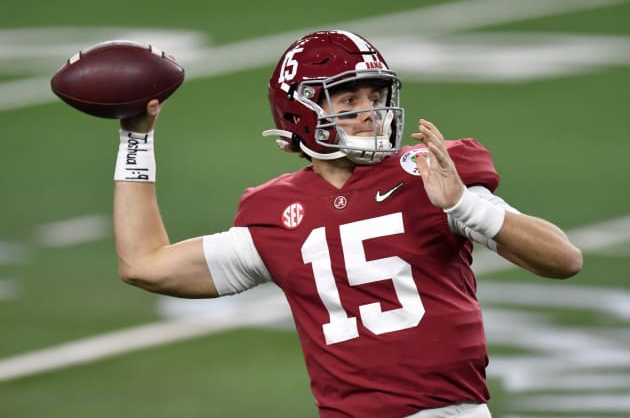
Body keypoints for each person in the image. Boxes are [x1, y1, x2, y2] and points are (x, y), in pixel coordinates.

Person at [113, 30, 582, 417]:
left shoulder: (430, 175)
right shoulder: (276, 213)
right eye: (348, 99)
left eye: (376, 97)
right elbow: (145, 264)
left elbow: (563, 259)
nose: (370, 113)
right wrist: (136, 137)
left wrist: (464, 204)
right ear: (302, 112)